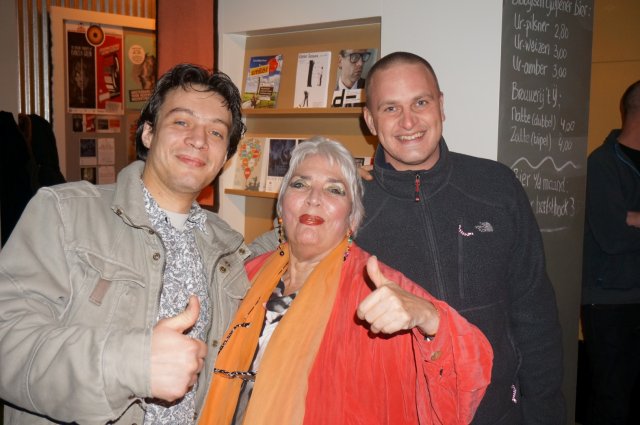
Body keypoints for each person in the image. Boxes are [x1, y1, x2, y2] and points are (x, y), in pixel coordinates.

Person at [0, 63, 252, 424]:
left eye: (216, 132)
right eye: (182, 121)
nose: (199, 139)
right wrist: (131, 364)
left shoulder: (229, 249)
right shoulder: (65, 213)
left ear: (225, 156)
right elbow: (8, 344)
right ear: (148, 133)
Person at [200, 137, 493, 425]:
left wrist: (429, 317)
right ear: (281, 206)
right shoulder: (247, 274)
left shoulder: (376, 285)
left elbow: (470, 369)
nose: (314, 198)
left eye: (334, 190)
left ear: (352, 219)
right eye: (300, 184)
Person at [356, 51, 565, 424]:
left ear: (441, 105)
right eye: (390, 108)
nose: (408, 121)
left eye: (420, 102)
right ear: (370, 120)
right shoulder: (350, 205)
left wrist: (544, 412)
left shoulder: (496, 185)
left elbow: (535, 312)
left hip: (499, 412)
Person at [581, 79, 640, 425]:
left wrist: (634, 217)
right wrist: (625, 221)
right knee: (612, 402)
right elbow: (612, 237)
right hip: (610, 302)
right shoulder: (603, 163)